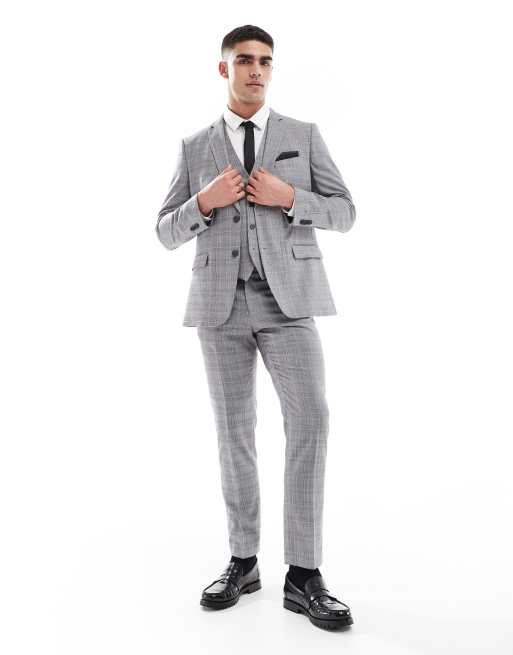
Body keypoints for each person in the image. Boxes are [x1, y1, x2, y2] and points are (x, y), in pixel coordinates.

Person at [155, 24, 356, 631]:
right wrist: (204, 202)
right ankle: (243, 562)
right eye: (244, 60)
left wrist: (289, 194)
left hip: (288, 302)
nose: (256, 70)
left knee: (312, 419)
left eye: (265, 61)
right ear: (225, 69)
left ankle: (304, 574)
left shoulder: (303, 135)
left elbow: (345, 212)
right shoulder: (195, 146)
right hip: (220, 305)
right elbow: (164, 230)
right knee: (233, 432)